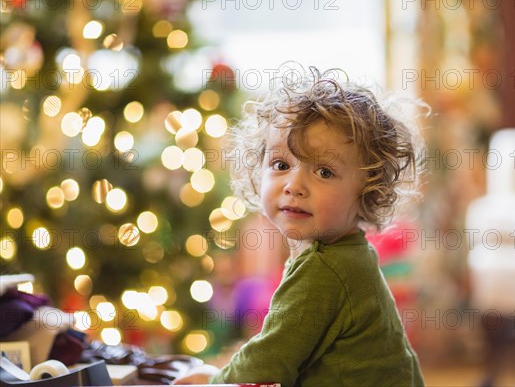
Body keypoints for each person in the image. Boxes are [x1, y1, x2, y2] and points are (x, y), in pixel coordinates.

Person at [175, 67, 425, 386]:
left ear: (367, 191)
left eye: (323, 172)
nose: (294, 185)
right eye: (281, 165)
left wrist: (213, 381)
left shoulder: (325, 269)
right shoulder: (344, 253)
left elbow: (268, 361)